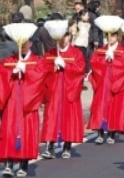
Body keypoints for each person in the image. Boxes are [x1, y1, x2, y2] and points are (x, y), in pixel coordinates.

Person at [0, 35, 46, 177]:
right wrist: (10, 73)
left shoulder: (37, 61)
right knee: (9, 131)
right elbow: (2, 75)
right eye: (20, 42)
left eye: (26, 42)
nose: (23, 45)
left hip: (28, 104)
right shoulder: (9, 60)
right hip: (12, 103)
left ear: (31, 43)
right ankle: (8, 164)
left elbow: (40, 77)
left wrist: (27, 71)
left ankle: (23, 164)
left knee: (26, 132)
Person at [41, 30, 85, 159]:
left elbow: (80, 70)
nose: (63, 39)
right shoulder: (50, 53)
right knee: (51, 117)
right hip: (54, 90)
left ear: (69, 37)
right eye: (61, 36)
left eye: (66, 36)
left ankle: (67, 145)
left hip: (68, 90)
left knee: (68, 117)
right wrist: (52, 67)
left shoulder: (76, 53)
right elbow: (43, 70)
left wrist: (66, 66)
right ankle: (50, 146)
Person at [87, 31, 124, 145]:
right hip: (103, 82)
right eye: (108, 36)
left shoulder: (123, 51)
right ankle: (100, 133)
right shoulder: (101, 51)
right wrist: (104, 60)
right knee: (101, 106)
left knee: (114, 106)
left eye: (113, 36)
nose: (110, 38)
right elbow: (94, 63)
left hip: (116, 82)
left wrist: (114, 61)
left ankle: (112, 133)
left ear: (117, 37)